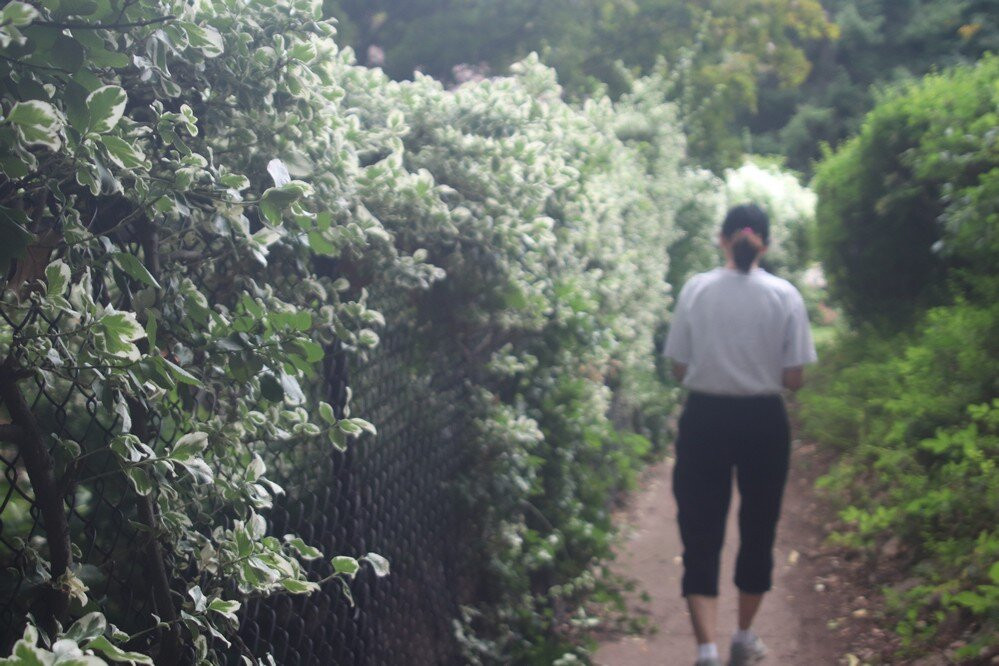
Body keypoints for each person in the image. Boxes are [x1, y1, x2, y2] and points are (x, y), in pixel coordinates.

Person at [662, 204, 817, 666]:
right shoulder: (785, 295)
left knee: (700, 530)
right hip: (763, 423)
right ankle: (743, 638)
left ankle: (706, 650)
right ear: (764, 244)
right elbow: (793, 379)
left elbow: (678, 368)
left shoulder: (696, 289)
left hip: (704, 420)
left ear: (721, 238)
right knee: (758, 528)